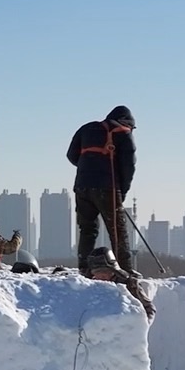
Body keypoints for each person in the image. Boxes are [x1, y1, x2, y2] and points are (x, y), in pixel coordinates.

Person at [67, 105, 136, 274]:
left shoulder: (86, 129)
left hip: (82, 186)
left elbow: (71, 155)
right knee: (118, 231)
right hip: (108, 187)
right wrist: (123, 190)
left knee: (87, 229)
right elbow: (129, 167)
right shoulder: (123, 133)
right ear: (126, 122)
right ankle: (125, 270)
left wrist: (88, 167)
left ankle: (84, 267)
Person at [84, 247, 155, 317]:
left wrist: (141, 326)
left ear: (113, 271)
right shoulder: (89, 287)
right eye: (97, 272)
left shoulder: (129, 284)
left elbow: (149, 310)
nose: (101, 276)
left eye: (105, 271)